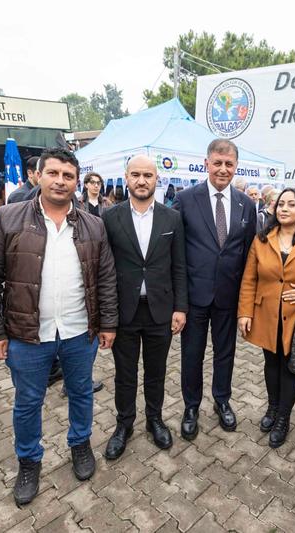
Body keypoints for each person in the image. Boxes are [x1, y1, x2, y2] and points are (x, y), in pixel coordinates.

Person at [0, 148, 118, 506]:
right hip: (26, 335)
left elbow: (106, 279)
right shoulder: (7, 218)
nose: (60, 181)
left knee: (81, 393)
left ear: (77, 182)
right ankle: (29, 461)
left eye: (68, 176)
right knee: (28, 402)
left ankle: (80, 444)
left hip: (79, 331)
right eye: (53, 173)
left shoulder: (94, 225)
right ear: (38, 176)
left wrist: (108, 323)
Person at [102, 155, 188, 459]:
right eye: (136, 175)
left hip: (160, 310)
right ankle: (124, 424)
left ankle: (155, 420)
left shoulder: (171, 218)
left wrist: (180, 307)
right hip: (124, 311)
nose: (142, 181)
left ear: (157, 179)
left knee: (156, 371)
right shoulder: (109, 217)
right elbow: (104, 268)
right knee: (124, 374)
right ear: (126, 178)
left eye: (148, 175)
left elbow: (179, 266)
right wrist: (105, 317)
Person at [172, 139, 257, 440]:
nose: (223, 169)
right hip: (194, 297)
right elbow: (175, 252)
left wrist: (246, 303)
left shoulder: (247, 204)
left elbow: (249, 256)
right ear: (206, 163)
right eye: (217, 163)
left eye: (229, 164)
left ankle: (222, 400)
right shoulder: (185, 199)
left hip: (228, 297)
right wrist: (178, 302)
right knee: (192, 354)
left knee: (225, 353)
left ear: (236, 166)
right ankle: (191, 406)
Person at [238, 188, 295, 448]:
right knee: (271, 363)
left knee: (290, 366)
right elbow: (249, 278)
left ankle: (283, 419)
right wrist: (245, 312)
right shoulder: (262, 239)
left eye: (291, 205)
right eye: (280, 204)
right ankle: (272, 408)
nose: (284, 209)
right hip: (266, 314)